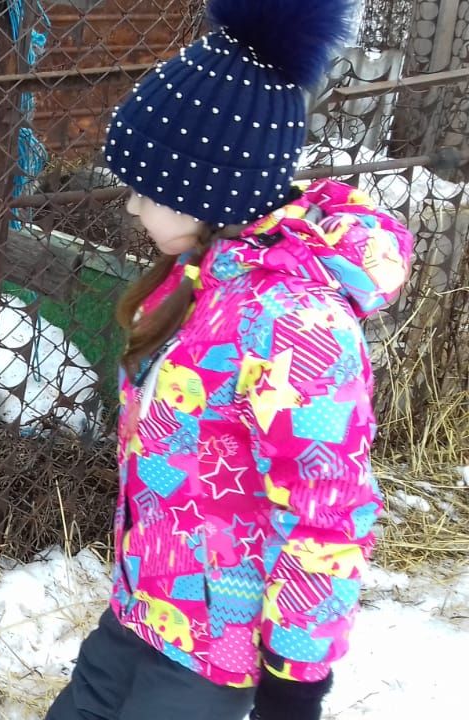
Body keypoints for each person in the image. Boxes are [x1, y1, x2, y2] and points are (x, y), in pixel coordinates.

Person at [43, 1, 415, 719]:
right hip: (144, 605)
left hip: (215, 653)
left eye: (146, 191)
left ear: (207, 191)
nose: (131, 208)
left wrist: (295, 681)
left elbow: (327, 511)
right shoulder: (204, 282)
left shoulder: (293, 326)